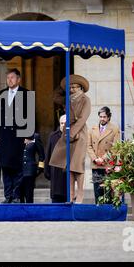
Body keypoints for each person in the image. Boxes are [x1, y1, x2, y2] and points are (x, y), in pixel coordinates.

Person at [0, 68, 34, 203]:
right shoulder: (1, 94)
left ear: (18, 79)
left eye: (12, 77)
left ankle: (16, 196)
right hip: (4, 135)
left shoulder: (26, 94)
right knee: (5, 166)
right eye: (8, 77)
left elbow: (31, 116)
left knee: (17, 167)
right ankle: (8, 195)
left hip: (19, 135)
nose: (9, 80)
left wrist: (29, 135)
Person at [49, 74, 91, 203]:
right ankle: (71, 194)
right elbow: (55, 98)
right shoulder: (67, 99)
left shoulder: (85, 99)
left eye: (75, 87)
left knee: (77, 165)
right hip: (68, 132)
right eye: (70, 87)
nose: (72, 89)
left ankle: (80, 194)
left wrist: (72, 133)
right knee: (67, 165)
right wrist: (62, 86)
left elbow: (83, 118)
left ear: (81, 88)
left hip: (79, 133)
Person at [87, 106, 120, 204]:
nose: (102, 119)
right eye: (100, 116)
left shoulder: (114, 129)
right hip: (96, 164)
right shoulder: (92, 129)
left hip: (108, 165)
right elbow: (88, 146)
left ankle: (108, 212)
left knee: (108, 190)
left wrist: (103, 159)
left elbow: (115, 147)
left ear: (109, 117)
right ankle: (98, 211)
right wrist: (95, 159)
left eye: (104, 117)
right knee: (97, 190)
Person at [19, 133, 45, 203]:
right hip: (19, 170)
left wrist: (40, 168)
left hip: (30, 170)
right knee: (20, 193)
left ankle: (29, 211)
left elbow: (41, 154)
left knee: (28, 194)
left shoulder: (35, 136)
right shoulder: (18, 134)